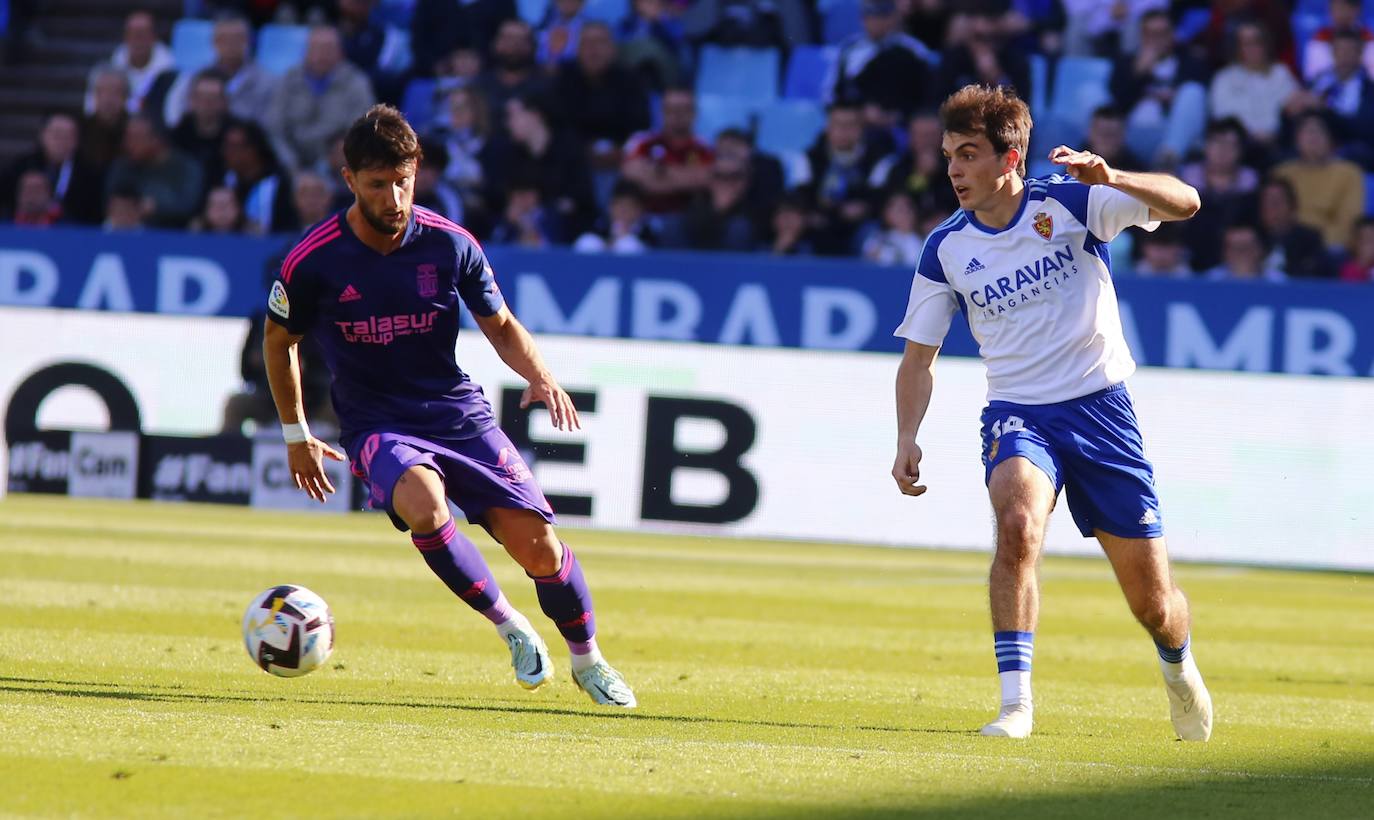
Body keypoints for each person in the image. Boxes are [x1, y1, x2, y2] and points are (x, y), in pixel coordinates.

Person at [262, 104, 636, 707]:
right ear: (349, 179)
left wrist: (541, 377)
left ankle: (589, 661)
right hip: (377, 421)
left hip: (455, 411)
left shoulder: (448, 243)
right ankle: (511, 626)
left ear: (418, 171)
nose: (392, 196)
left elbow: (502, 323)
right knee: (426, 508)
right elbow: (280, 343)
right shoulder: (313, 260)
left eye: (402, 180)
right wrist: (295, 432)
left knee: (539, 547)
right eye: (377, 184)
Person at [891, 84, 1212, 741]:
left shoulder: (1069, 201)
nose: (953, 168)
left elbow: (1188, 203)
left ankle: (1179, 667)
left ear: (1009, 159)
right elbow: (918, 360)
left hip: (1101, 411)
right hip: (1019, 413)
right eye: (949, 154)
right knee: (1016, 523)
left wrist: (1113, 176)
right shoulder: (945, 248)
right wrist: (906, 437)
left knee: (1154, 606)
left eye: (969, 154)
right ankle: (1016, 707)